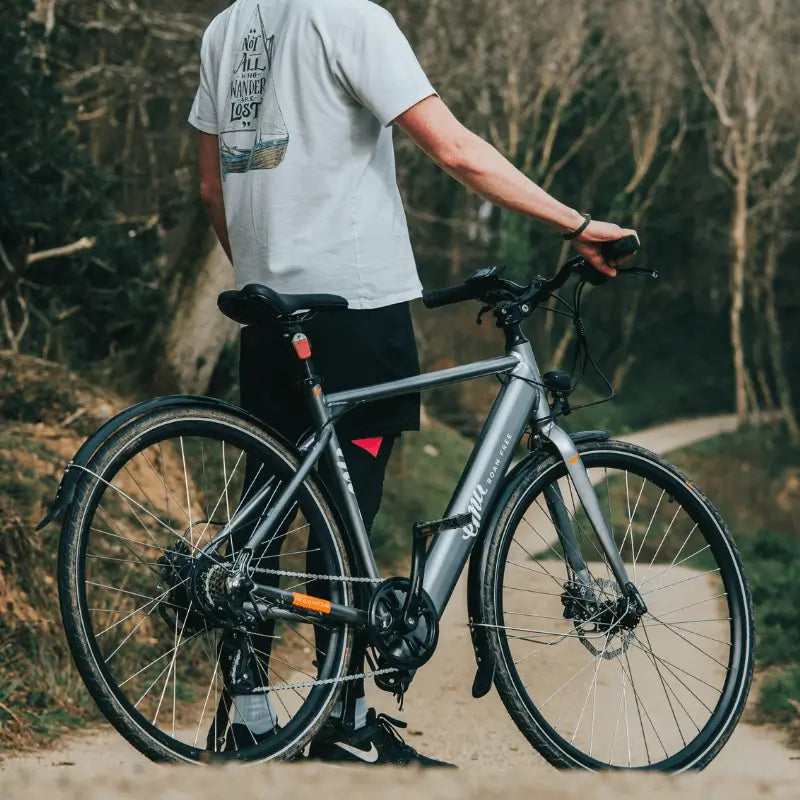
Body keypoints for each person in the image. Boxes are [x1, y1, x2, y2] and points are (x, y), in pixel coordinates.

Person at [189, 0, 637, 767]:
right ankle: (345, 718)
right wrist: (576, 224)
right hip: (357, 310)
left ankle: (252, 718)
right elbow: (456, 149)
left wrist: (271, 273)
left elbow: (209, 189)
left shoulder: (226, 28)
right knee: (352, 503)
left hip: (271, 311)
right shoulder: (351, 17)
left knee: (267, 506)